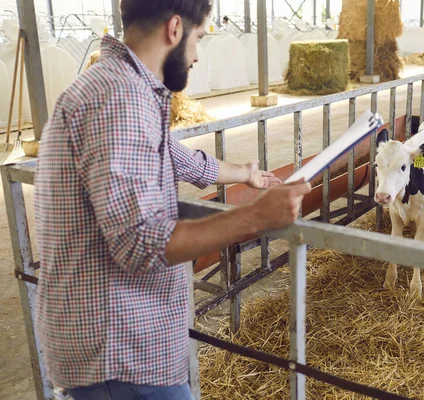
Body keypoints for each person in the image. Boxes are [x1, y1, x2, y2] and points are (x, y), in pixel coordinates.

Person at [33, 0, 311, 399]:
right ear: (175, 29)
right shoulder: (120, 100)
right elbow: (140, 243)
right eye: (198, 38)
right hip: (121, 353)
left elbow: (179, 158)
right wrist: (255, 217)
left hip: (121, 347)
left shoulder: (123, 87)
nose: (197, 55)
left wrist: (245, 174)